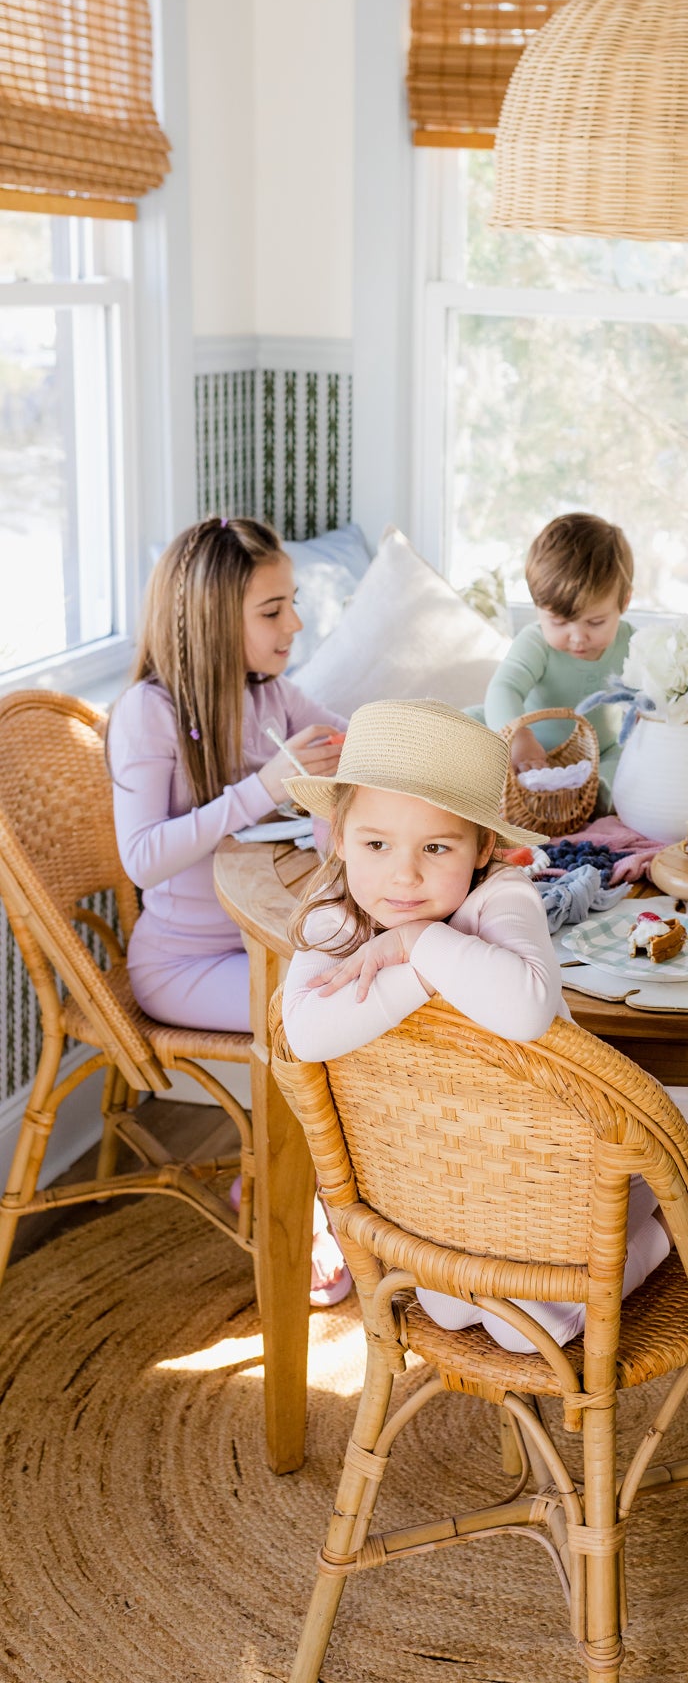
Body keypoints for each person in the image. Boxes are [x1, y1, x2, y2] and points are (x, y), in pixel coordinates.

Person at [282, 698, 688, 1352]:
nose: (404, 873)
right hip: (445, 1176)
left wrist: (419, 943)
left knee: (529, 1331)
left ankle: (671, 1219)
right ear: (339, 838)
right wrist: (417, 970)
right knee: (447, 1310)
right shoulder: (335, 916)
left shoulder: (503, 897)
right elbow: (305, 1034)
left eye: (436, 846)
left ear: (482, 849)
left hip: (562, 1164)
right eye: (376, 844)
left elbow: (526, 1009)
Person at [107, 515, 351, 1301]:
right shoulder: (148, 712)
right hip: (182, 963)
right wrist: (263, 788)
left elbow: (350, 738)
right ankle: (288, 1197)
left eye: (292, 603)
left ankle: (349, 1196)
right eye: (273, 610)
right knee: (324, 1017)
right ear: (215, 620)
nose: (295, 624)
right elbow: (142, 857)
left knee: (364, 990)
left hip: (265, 942)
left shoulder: (270, 695)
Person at [483, 513, 635, 809]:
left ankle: (588, 800)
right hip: (529, 756)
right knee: (471, 723)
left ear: (624, 602)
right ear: (537, 606)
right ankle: (516, 789)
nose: (577, 638)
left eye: (595, 622)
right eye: (559, 622)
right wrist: (519, 738)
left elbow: (652, 700)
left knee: (627, 765)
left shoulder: (632, 644)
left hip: (598, 756)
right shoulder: (535, 642)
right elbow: (505, 688)